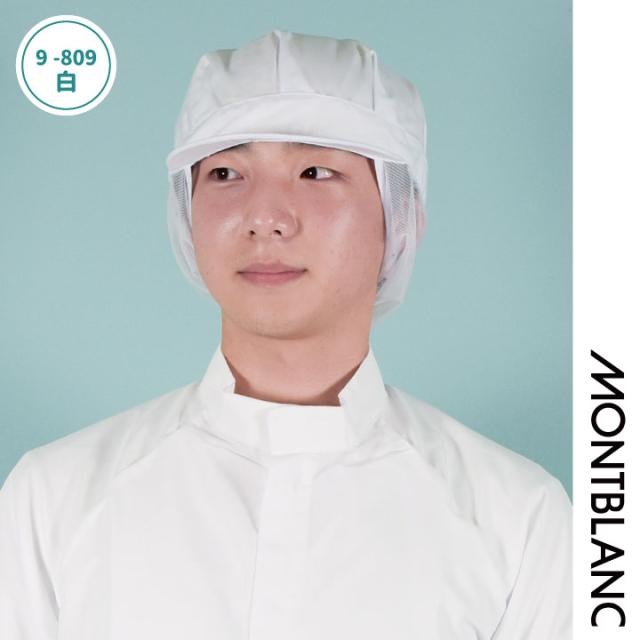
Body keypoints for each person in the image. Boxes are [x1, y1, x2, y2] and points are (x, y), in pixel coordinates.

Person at [0, 30, 571, 639]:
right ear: (185, 213)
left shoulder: (519, 520)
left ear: (399, 215)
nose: (265, 217)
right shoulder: (54, 498)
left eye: (315, 171)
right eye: (225, 173)